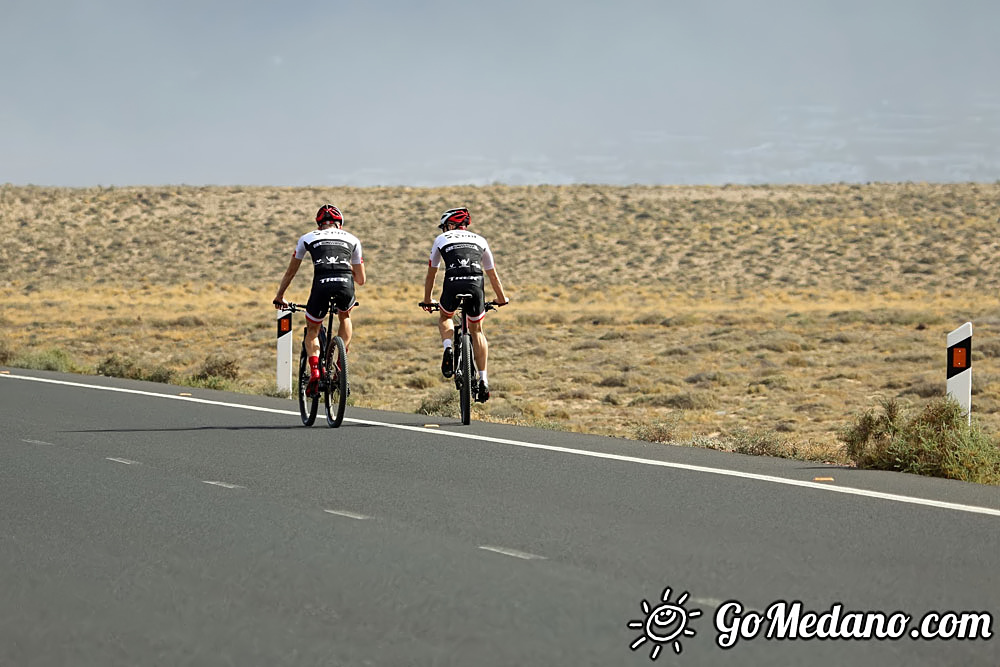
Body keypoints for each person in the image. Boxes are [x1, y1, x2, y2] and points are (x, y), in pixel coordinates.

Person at [273, 204, 365, 395]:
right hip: (345, 283)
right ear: (339, 224)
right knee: (345, 316)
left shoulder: (307, 237)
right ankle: (341, 364)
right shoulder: (352, 239)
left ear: (319, 225)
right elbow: (361, 280)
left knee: (313, 328)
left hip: (321, 284)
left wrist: (280, 295)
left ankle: (315, 370)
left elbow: (291, 272)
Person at [421, 206, 508, 402]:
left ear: (451, 225)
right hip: (476, 283)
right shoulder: (480, 240)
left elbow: (431, 274)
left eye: (445, 226)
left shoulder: (441, 240)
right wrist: (501, 298)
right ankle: (484, 379)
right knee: (476, 330)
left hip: (452, 282)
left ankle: (448, 348)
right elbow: (492, 274)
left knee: (445, 316)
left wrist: (427, 300)